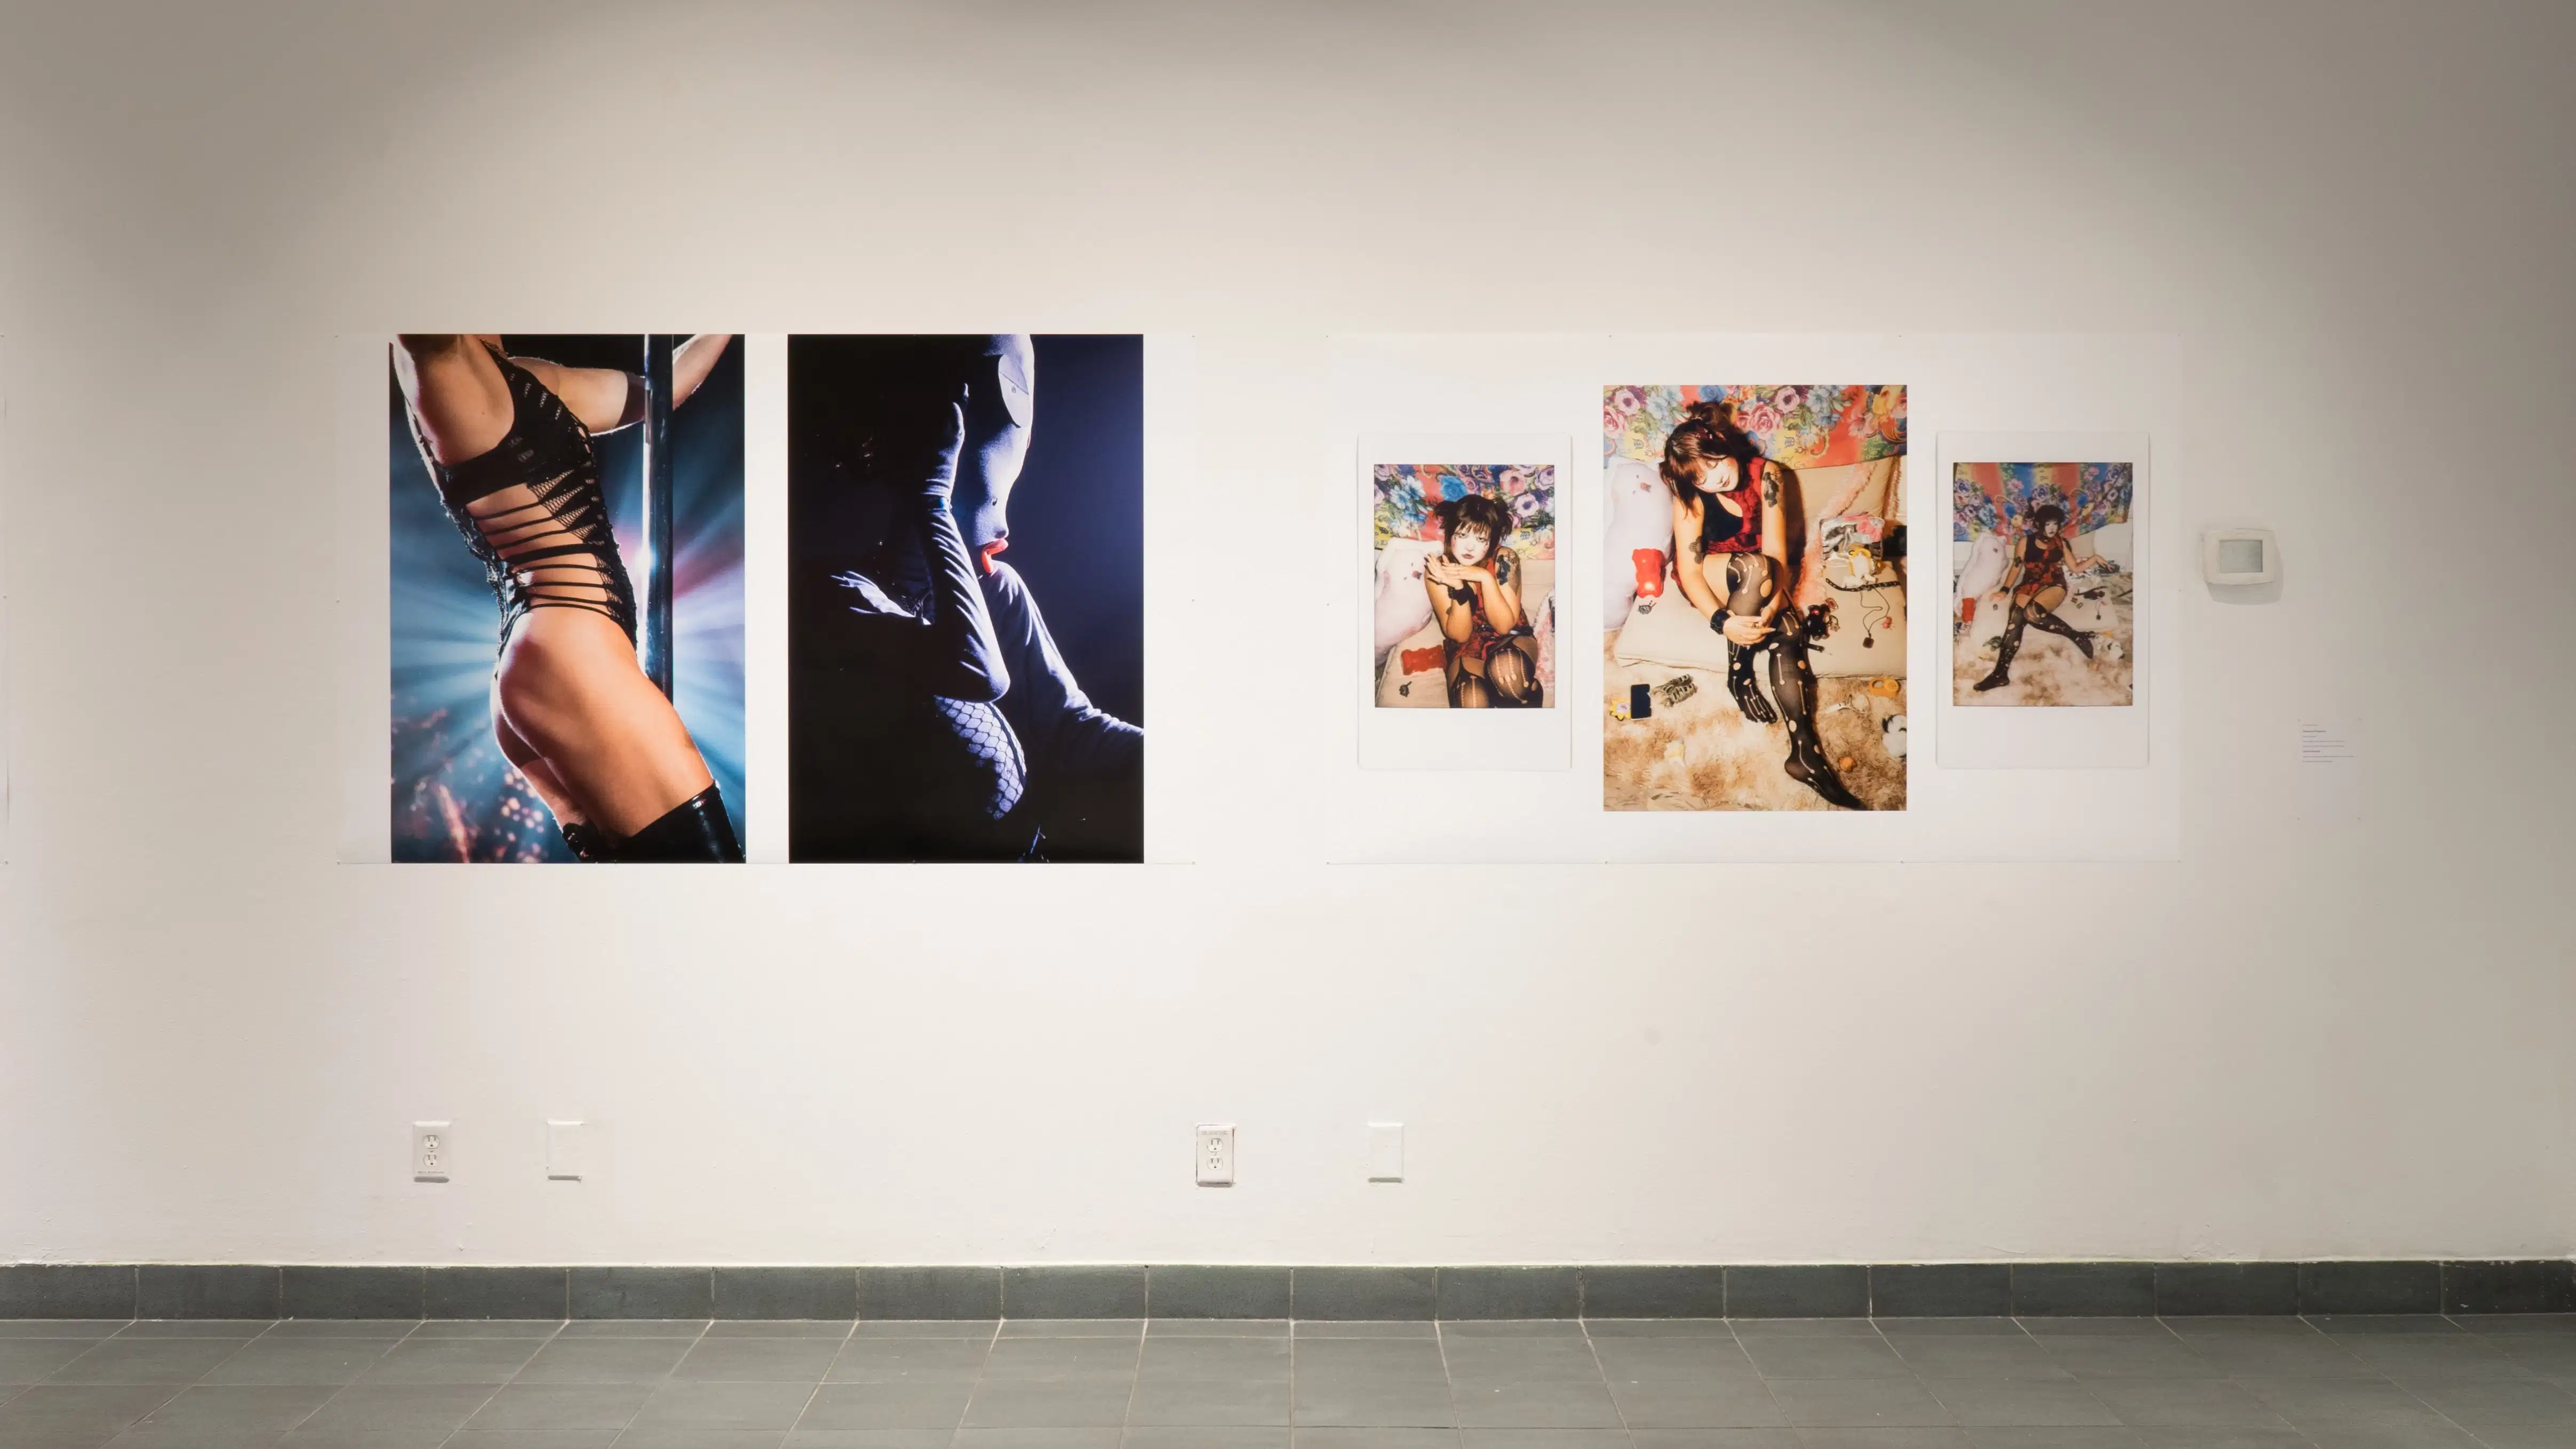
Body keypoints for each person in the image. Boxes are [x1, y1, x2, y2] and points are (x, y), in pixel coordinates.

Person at [790, 334, 1142, 862]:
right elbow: (976, 672)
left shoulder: (996, 590)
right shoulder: (838, 590)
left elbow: (1071, 729)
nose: (995, 547)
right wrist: (931, 499)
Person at [393, 333, 741, 862]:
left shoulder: (525, 379)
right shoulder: (448, 360)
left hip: (554, 656)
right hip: (568, 651)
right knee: (704, 885)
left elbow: (659, 392)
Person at [1661, 401, 1866, 810]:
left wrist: (1773, 611)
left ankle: (1805, 755)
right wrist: (1723, 622)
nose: (1713, 480)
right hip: (1714, 577)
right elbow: (1691, 570)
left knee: (1790, 631)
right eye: (1701, 478)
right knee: (1752, 566)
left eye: (1713, 464)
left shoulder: (1767, 474)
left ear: (1721, 441)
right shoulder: (1690, 494)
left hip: (1763, 575)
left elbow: (1776, 555)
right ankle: (1738, 675)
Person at [1423, 493, 1543, 708]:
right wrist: (1459, 589)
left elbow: (1505, 626)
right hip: (1467, 646)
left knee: (1508, 674)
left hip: (1510, 638)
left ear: (1492, 541)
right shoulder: (1438, 571)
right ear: (1450, 534)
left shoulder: (1505, 559)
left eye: (1481, 539)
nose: (1470, 548)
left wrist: (1485, 578)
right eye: (1463, 535)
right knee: (1471, 700)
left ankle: (1525, 709)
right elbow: (1460, 636)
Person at [1973, 502, 2094, 692]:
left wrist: (2094, 559)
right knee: (2015, 620)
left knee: (2033, 614)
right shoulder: (2025, 542)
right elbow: (2016, 567)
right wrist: (2005, 589)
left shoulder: (2062, 543)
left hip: (2054, 584)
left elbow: (2075, 568)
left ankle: (2076, 636)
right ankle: (2000, 674)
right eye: (2048, 524)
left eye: (2055, 524)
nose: (2052, 528)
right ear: (2039, 524)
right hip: (2029, 584)